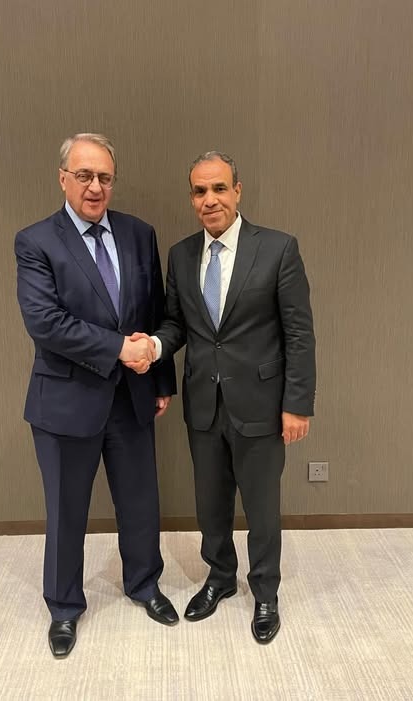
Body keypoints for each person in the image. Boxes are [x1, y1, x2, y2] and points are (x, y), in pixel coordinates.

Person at [129, 151, 316, 644]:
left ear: (237, 190)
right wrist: (155, 347)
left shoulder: (277, 248)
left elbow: (299, 334)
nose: (209, 200)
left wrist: (297, 404)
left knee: (261, 507)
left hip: (262, 405)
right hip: (204, 406)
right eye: (199, 191)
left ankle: (266, 592)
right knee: (211, 504)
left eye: (218, 188)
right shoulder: (181, 255)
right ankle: (220, 577)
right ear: (192, 197)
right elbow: (176, 324)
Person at [15, 133, 178, 659]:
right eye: (84, 175)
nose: (95, 187)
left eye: (104, 177)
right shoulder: (36, 241)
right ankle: (64, 606)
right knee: (67, 510)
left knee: (140, 501)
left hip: (132, 396)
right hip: (66, 402)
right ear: (63, 178)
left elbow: (154, 312)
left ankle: (144, 584)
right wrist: (119, 349)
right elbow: (45, 322)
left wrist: (160, 379)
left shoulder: (138, 233)